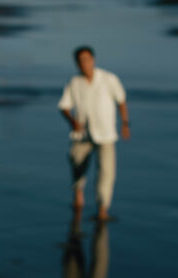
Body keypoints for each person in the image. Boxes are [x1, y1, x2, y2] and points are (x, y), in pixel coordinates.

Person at [58, 45, 130, 221]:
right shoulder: (74, 82)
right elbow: (64, 106)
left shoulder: (108, 79)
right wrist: (72, 120)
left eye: (87, 60)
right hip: (82, 134)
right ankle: (78, 192)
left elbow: (121, 100)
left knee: (106, 172)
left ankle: (103, 209)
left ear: (93, 60)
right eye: (80, 61)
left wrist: (125, 123)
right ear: (76, 64)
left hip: (106, 134)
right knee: (76, 162)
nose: (84, 63)